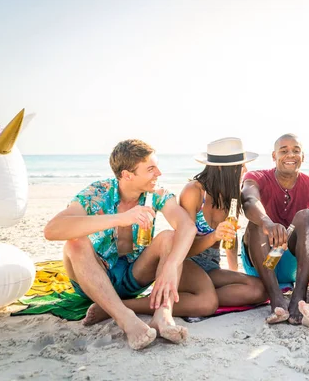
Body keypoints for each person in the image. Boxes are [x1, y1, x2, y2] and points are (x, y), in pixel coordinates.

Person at [44, 139, 197, 350]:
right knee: (75, 242)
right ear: (127, 175)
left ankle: (162, 315)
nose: (159, 173)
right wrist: (120, 218)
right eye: (151, 169)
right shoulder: (98, 193)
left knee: (170, 237)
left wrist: (171, 265)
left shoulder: (156, 194)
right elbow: (52, 230)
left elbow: (187, 227)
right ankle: (127, 320)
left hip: (134, 275)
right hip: (95, 279)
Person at [241, 133, 309, 324]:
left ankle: (299, 293)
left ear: (302, 157)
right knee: (255, 223)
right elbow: (248, 200)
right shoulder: (256, 176)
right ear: (273, 156)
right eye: (284, 150)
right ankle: (276, 298)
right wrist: (267, 223)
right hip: (261, 262)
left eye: (296, 151)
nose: (290, 155)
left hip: (294, 265)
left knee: (307, 216)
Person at [178, 137, 267, 308]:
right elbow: (182, 247)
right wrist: (213, 236)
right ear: (221, 168)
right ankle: (197, 298)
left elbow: (230, 241)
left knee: (259, 289)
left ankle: (197, 298)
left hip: (211, 267)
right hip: (186, 265)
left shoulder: (230, 195)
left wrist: (233, 272)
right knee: (247, 290)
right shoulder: (194, 192)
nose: (245, 170)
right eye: (240, 166)